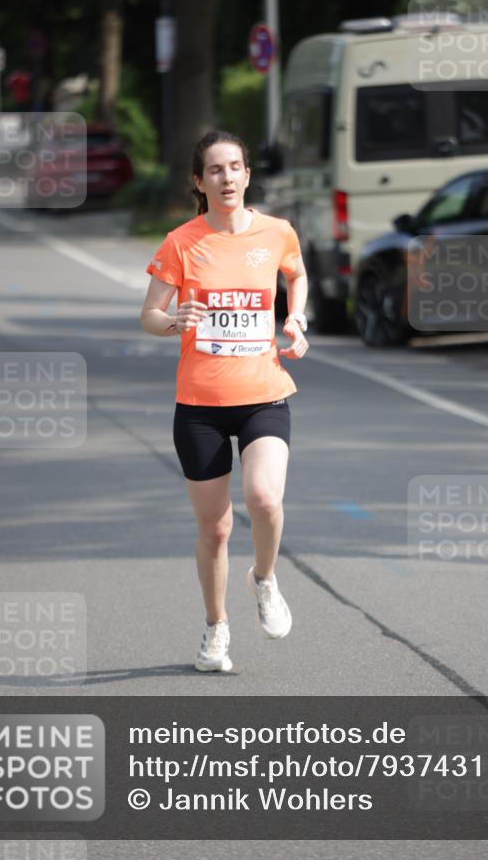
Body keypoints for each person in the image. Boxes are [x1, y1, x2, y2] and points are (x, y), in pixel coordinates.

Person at [141, 130, 309, 672]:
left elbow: (297, 273)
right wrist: (173, 321)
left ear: (247, 174)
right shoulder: (182, 242)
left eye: (236, 167)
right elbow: (149, 315)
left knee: (264, 499)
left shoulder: (276, 231)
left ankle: (263, 578)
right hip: (199, 403)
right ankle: (216, 629)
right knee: (214, 527)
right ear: (199, 181)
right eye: (215, 170)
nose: (227, 177)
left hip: (263, 393)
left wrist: (295, 318)